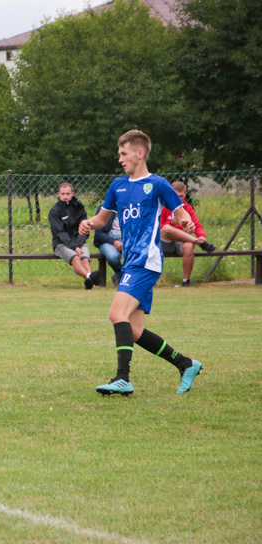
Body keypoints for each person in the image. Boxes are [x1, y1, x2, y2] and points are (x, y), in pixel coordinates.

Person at [79, 129, 203, 396]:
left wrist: (185, 220)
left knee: (116, 314)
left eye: (124, 153)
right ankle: (186, 364)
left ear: (140, 153)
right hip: (131, 260)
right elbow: (102, 220)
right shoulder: (118, 185)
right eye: (119, 154)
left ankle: (122, 378)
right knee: (134, 330)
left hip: (146, 261)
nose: (120, 159)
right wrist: (88, 222)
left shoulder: (157, 184)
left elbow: (179, 210)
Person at [160, 181, 217, 287]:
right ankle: (196, 242)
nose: (178, 199)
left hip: (181, 242)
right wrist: (170, 223)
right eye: (176, 196)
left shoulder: (188, 209)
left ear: (185, 194)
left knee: (189, 246)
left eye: (181, 196)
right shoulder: (165, 207)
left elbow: (197, 225)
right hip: (166, 243)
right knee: (166, 228)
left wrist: (201, 236)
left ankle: (186, 281)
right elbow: (157, 227)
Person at [49, 183, 102, 289]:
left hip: (79, 241)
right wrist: (75, 247)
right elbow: (60, 233)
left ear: (72, 194)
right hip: (61, 243)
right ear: (58, 194)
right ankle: (90, 276)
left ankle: (89, 281)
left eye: (68, 193)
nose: (65, 196)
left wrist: (78, 245)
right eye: (62, 193)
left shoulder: (79, 208)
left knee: (85, 259)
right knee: (75, 258)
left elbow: (84, 228)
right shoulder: (54, 211)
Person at [93, 205, 123, 286]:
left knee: (134, 254)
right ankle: (121, 275)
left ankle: (121, 277)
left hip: (125, 240)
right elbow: (98, 234)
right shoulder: (103, 208)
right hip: (107, 241)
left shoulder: (129, 206)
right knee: (112, 256)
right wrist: (114, 242)